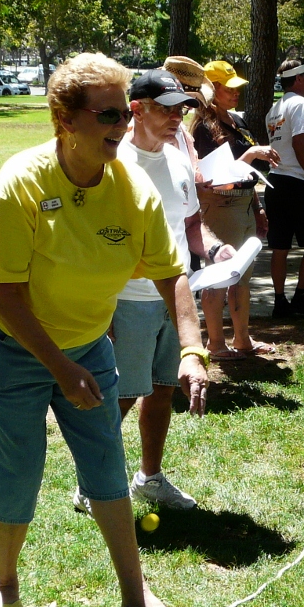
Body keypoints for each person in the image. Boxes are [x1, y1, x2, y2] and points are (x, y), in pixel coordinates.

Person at [0, 53, 207, 607]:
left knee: (105, 461)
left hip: (84, 338)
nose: (121, 125)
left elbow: (171, 273)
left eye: (124, 113)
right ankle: (5, 583)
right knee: (18, 464)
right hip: (7, 335)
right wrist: (59, 367)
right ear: (64, 121)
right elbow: (3, 287)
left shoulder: (133, 191)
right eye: (107, 115)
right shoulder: (22, 182)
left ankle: (136, 597)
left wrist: (193, 349)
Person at [84, 68, 233, 513]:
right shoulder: (112, 165)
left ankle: (150, 478)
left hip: (175, 298)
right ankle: (94, 484)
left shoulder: (177, 160)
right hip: (128, 299)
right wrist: (102, 307)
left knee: (163, 388)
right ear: (136, 109)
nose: (176, 118)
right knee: (121, 396)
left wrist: (215, 248)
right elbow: (91, 241)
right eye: (165, 109)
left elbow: (189, 225)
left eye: (181, 109)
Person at [191, 59, 278, 358]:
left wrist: (257, 207)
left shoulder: (237, 122)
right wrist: (253, 154)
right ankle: (215, 343)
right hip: (220, 205)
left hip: (243, 204)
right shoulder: (202, 127)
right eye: (228, 88)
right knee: (218, 276)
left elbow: (246, 176)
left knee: (242, 277)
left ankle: (243, 340)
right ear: (211, 89)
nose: (235, 93)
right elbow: (211, 177)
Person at [265, 58, 304, 318]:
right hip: (298, 183)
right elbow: (299, 143)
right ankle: (301, 295)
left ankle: (280, 302)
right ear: (299, 78)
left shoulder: (275, 109)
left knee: (280, 247)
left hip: (275, 182)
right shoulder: (300, 104)